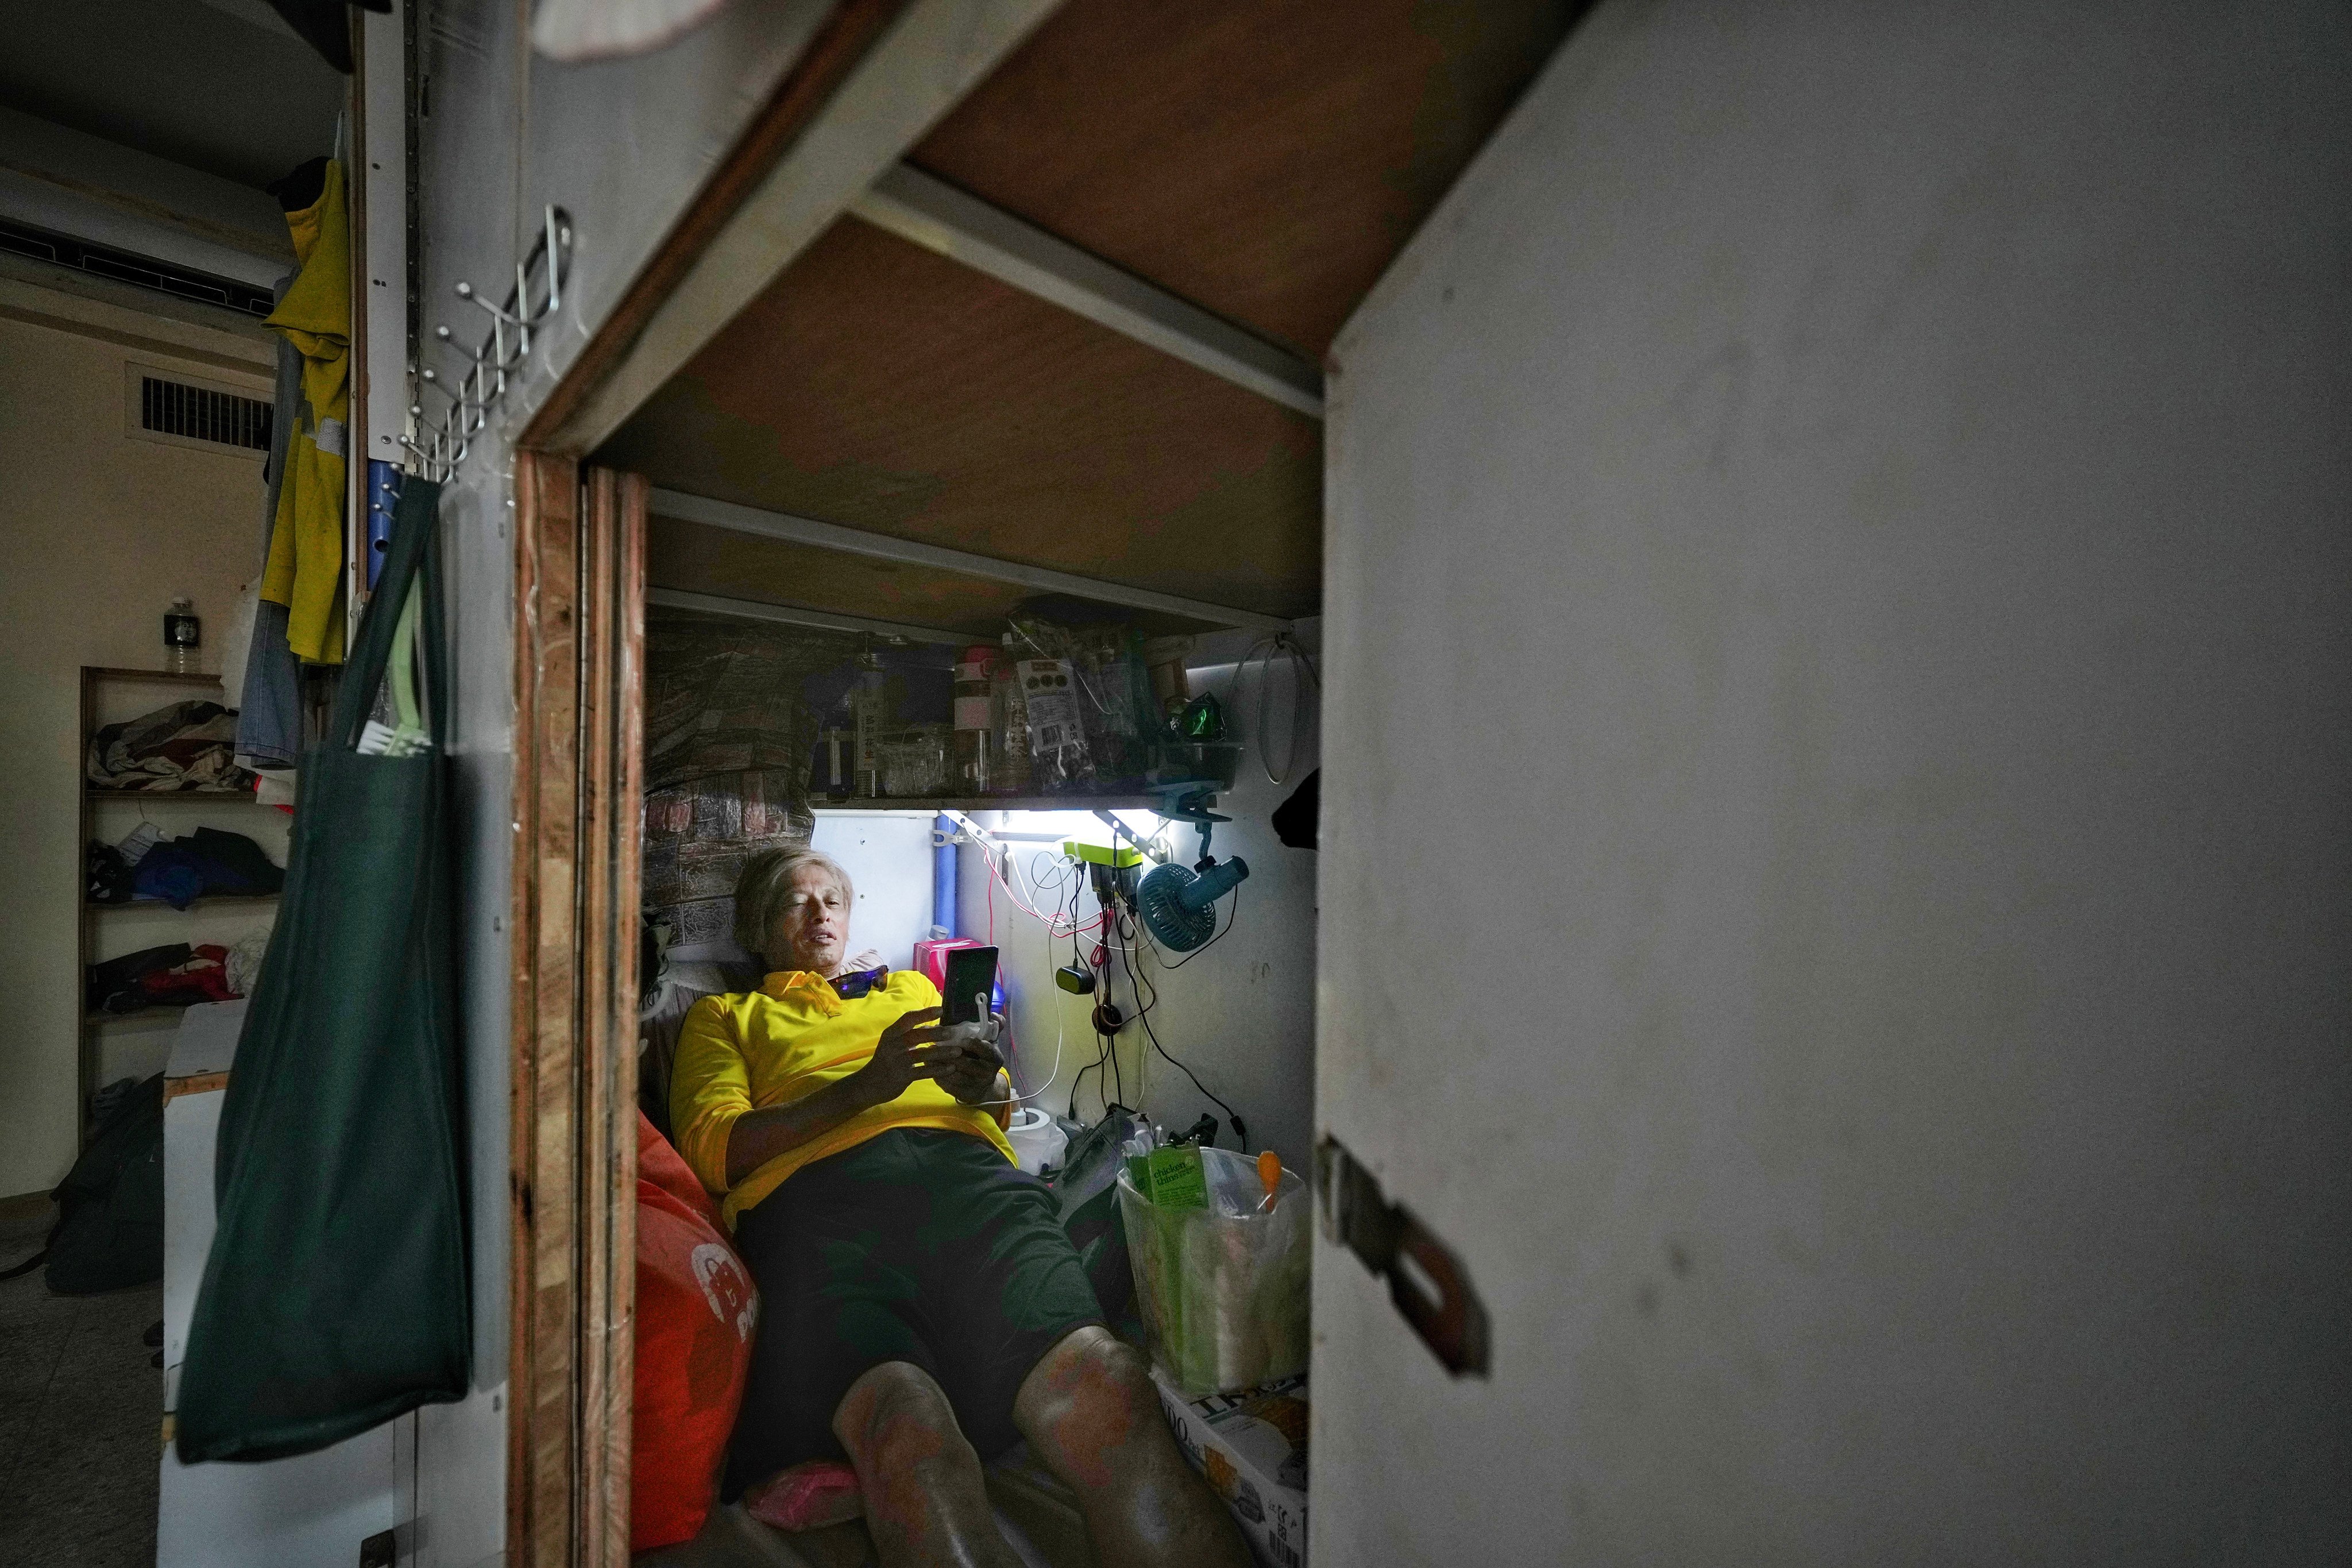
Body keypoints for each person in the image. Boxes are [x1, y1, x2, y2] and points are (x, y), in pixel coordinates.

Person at [670, 845, 1251, 1568]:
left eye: (833, 899)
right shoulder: (727, 1016)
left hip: (969, 1185)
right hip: (823, 1211)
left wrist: (987, 1084)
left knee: (1107, 1383)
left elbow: (998, 1112)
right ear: (759, 930)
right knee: (907, 1431)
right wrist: (864, 1088)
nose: (820, 913)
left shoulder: (914, 990)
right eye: (797, 901)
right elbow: (714, 1151)